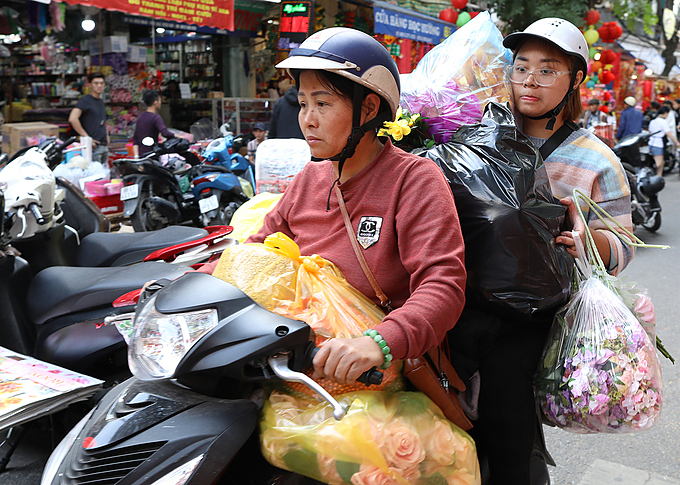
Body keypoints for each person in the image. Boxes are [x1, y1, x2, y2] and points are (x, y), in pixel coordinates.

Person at [201, 27, 466, 387]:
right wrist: (194, 281)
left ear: (369, 108)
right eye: (303, 103)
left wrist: (379, 343)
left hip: (374, 376)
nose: (307, 119)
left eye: (322, 103)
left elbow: (443, 284)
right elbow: (255, 252)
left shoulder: (414, 180)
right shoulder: (310, 178)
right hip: (290, 363)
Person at [448, 18, 635, 485]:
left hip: (531, 321)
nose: (530, 80)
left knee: (508, 433)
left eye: (548, 69)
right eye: (521, 66)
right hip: (457, 306)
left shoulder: (596, 158)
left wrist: (590, 241)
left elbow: (624, 243)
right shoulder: (476, 136)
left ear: (576, 79)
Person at [68, 72, 109, 164]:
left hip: (103, 145)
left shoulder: (101, 102)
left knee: (105, 175)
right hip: (92, 146)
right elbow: (73, 118)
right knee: (96, 176)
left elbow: (100, 121)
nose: (99, 85)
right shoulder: (85, 100)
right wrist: (87, 138)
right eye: (96, 83)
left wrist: (107, 135)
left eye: (101, 83)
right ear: (90, 85)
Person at [132, 90, 175, 158]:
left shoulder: (140, 117)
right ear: (155, 102)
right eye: (159, 101)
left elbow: (135, 139)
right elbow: (165, 133)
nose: (160, 103)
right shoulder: (156, 117)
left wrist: (136, 156)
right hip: (152, 155)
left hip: (142, 156)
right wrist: (178, 136)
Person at [648, 105, 680, 177]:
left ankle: (659, 177)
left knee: (661, 162)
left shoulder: (653, 121)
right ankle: (657, 177)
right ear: (666, 113)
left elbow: (650, 132)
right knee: (659, 163)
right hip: (658, 143)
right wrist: (676, 142)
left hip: (652, 142)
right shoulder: (663, 121)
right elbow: (668, 133)